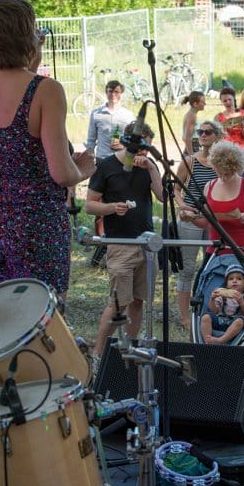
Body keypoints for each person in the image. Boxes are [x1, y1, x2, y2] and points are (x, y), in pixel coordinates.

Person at [0, 0, 95, 302]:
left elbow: (16, 77)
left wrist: (31, 53)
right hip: (36, 223)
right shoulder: (47, 90)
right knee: (42, 314)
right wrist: (83, 169)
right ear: (27, 34)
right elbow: (62, 173)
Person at [86, 123, 163, 357]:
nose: (143, 153)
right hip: (120, 244)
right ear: (128, 143)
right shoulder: (107, 166)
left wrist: (151, 168)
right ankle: (98, 354)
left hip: (146, 244)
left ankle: (131, 350)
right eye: (140, 148)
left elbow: (162, 196)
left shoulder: (148, 165)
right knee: (118, 303)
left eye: (147, 148)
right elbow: (90, 205)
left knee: (139, 301)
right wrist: (111, 207)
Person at [174, 120, 221, 330]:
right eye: (200, 131)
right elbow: (176, 188)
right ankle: (185, 317)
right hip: (191, 218)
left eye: (207, 132)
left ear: (217, 135)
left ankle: (206, 311)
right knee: (188, 267)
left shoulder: (221, 161)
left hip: (214, 219)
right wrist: (183, 206)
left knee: (211, 265)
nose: (202, 135)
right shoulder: (189, 161)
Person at [181, 141, 244, 256]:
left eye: (228, 174)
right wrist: (190, 217)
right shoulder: (209, 186)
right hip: (214, 251)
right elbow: (205, 222)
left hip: (243, 252)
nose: (223, 178)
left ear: (236, 168)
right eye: (219, 173)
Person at [200, 265, 244, 344]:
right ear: (227, 284)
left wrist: (241, 301)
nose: (234, 281)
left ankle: (221, 340)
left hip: (235, 324)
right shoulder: (221, 295)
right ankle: (207, 340)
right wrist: (212, 299)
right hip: (219, 320)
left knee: (240, 321)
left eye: (239, 279)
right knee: (205, 317)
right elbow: (214, 311)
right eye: (231, 279)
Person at [86, 80, 135, 163]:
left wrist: (124, 145)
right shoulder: (96, 114)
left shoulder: (128, 115)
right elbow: (91, 140)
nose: (113, 94)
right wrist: (89, 157)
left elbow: (135, 139)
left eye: (116, 92)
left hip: (121, 159)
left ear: (121, 94)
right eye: (110, 91)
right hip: (102, 158)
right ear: (106, 93)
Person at [180, 91, 206, 155]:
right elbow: (187, 138)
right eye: (203, 102)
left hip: (193, 148)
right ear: (195, 104)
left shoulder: (192, 115)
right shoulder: (192, 116)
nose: (205, 104)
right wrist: (192, 156)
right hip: (192, 149)